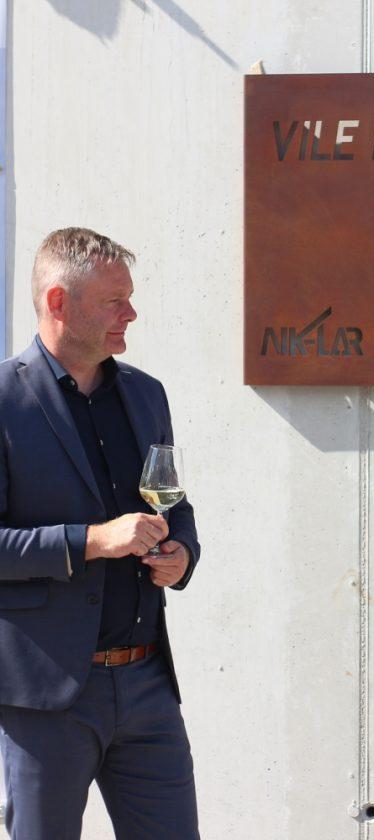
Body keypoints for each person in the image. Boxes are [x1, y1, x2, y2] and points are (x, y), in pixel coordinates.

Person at [0, 228, 200, 838]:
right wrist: (92, 540)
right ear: (58, 302)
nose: (131, 313)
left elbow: (174, 504)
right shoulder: (3, 400)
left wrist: (182, 553)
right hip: (47, 697)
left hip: (148, 686)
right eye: (116, 301)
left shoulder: (145, 394)